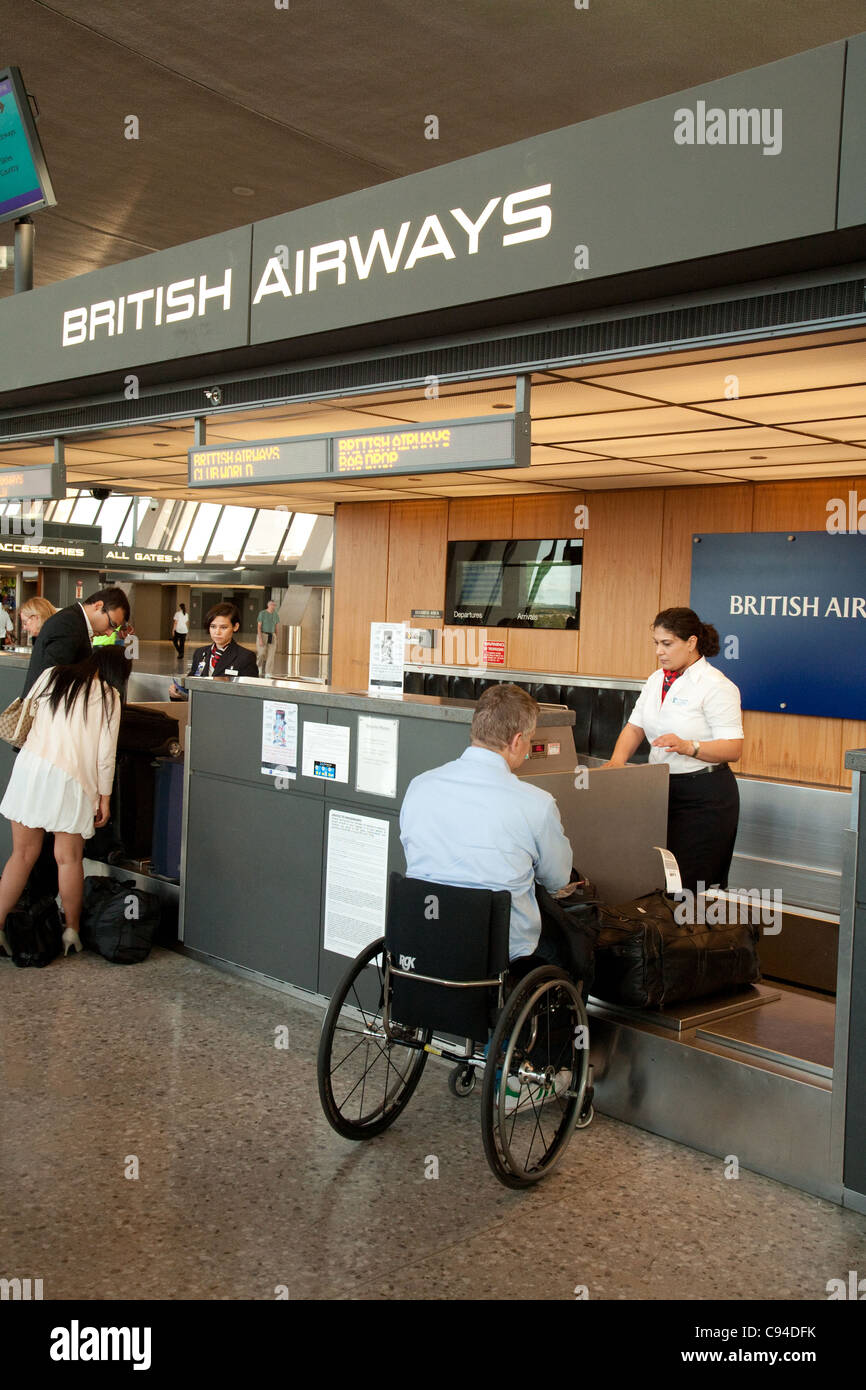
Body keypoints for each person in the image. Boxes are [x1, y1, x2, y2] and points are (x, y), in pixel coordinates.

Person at [400, 684, 575, 968]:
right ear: (517, 741)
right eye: (530, 740)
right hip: (498, 955)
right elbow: (557, 879)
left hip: (423, 940)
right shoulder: (536, 804)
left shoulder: (419, 786)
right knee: (572, 952)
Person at [0, 647, 130, 959]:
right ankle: (71, 931)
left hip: (30, 770)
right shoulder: (109, 696)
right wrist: (105, 798)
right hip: (72, 781)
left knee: (22, 855)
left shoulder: (51, 675)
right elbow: (105, 755)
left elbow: (28, 714)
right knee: (68, 859)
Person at [605, 607, 744, 894]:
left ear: (691, 642)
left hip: (704, 796)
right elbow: (635, 726)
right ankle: (661, 936)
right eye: (656, 643)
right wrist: (617, 762)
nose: (659, 651)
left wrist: (689, 746)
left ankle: (688, 937)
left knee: (688, 885)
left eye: (667, 644)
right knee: (656, 878)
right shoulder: (657, 679)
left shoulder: (717, 686)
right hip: (660, 790)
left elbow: (733, 748)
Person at [22, 587, 130, 696]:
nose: (110, 633)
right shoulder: (69, 625)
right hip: (45, 709)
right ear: (98, 606)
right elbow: (53, 680)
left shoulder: (74, 620)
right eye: (112, 624)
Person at [169, 602, 257, 700]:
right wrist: (177, 691)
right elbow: (191, 684)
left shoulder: (245, 657)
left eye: (223, 627)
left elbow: (251, 695)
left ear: (235, 627)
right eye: (213, 626)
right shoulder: (200, 653)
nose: (217, 632)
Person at [256, 599, 279, 677]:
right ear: (268, 605)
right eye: (272, 605)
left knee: (271, 655)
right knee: (261, 653)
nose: (273, 606)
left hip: (272, 636)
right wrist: (260, 639)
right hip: (263, 635)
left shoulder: (275, 614)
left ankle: (268, 672)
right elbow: (259, 627)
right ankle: (259, 666)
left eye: (274, 605)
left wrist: (276, 637)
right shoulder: (262, 613)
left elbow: (276, 627)